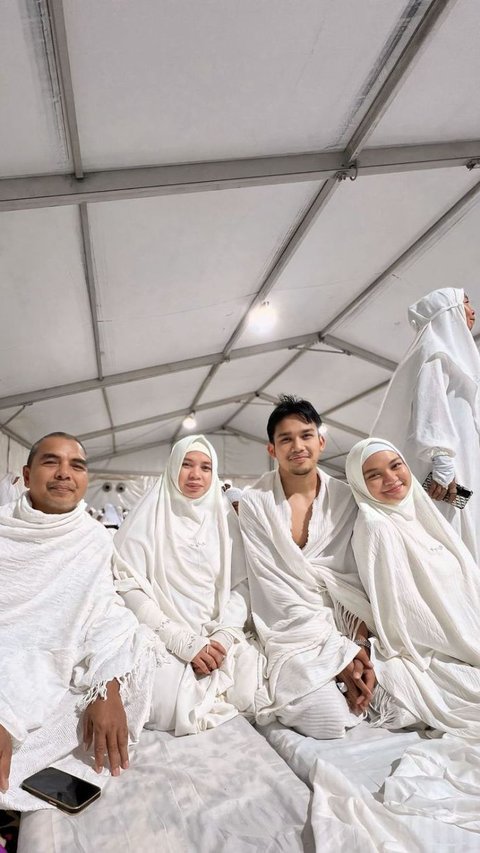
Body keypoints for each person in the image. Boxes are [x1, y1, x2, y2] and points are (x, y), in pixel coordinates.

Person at [0, 433, 158, 810]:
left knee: (140, 659)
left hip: (58, 671)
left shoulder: (94, 539)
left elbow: (105, 614)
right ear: (26, 473)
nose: (64, 474)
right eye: (51, 462)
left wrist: (107, 687)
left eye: (77, 465)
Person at [238, 396, 375, 739]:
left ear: (321, 441)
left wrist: (356, 644)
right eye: (286, 439)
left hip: (347, 627)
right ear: (272, 450)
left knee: (393, 695)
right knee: (327, 719)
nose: (297, 446)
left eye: (306, 435)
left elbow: (352, 580)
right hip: (289, 632)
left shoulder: (347, 499)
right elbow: (270, 588)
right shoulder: (255, 504)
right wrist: (334, 653)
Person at [113, 435, 259, 736]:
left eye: (206, 467)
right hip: (162, 635)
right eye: (186, 465)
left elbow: (242, 585)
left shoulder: (225, 520)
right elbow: (128, 587)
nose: (196, 475)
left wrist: (225, 635)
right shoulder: (147, 517)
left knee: (253, 691)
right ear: (171, 468)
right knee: (167, 705)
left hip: (216, 634)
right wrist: (180, 640)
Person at [345, 437, 480, 737]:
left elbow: (465, 502)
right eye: (373, 475)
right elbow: (403, 614)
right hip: (442, 648)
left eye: (395, 466)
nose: (391, 479)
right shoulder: (377, 526)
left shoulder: (419, 509)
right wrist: (466, 644)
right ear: (360, 483)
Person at [372, 288, 480, 561]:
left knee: (466, 527)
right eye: (465, 303)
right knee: (453, 532)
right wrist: (442, 461)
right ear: (450, 313)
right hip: (448, 472)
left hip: (464, 464)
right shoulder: (434, 352)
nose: (472, 310)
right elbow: (430, 409)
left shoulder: (453, 355)